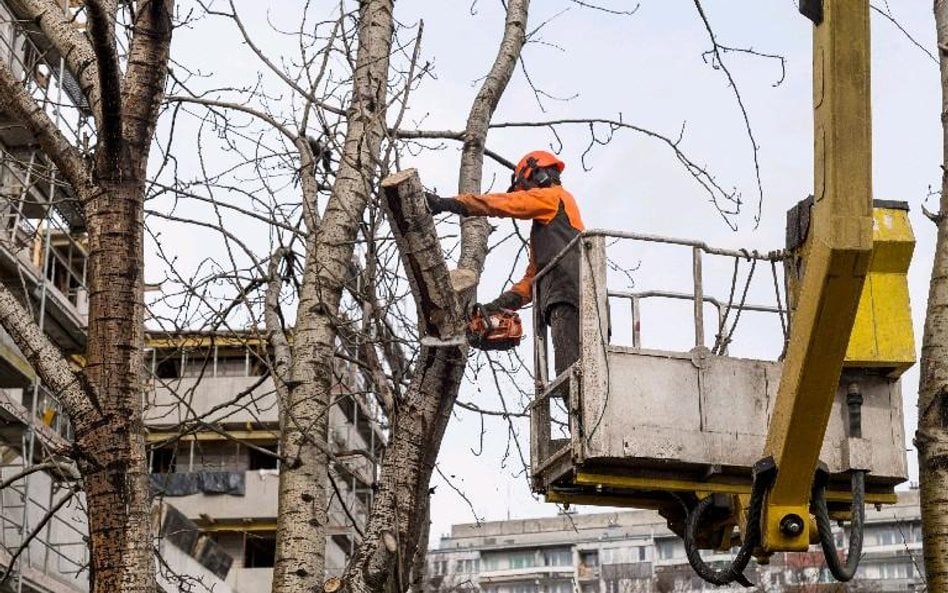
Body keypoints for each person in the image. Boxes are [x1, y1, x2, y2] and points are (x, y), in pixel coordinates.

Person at [426, 150, 585, 377]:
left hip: (568, 296)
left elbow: (505, 203)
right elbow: (532, 278)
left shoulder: (553, 197)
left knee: (574, 376)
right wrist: (497, 305)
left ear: (536, 176)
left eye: (525, 187)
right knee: (576, 375)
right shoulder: (555, 225)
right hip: (572, 298)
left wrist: (449, 204)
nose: (525, 194)